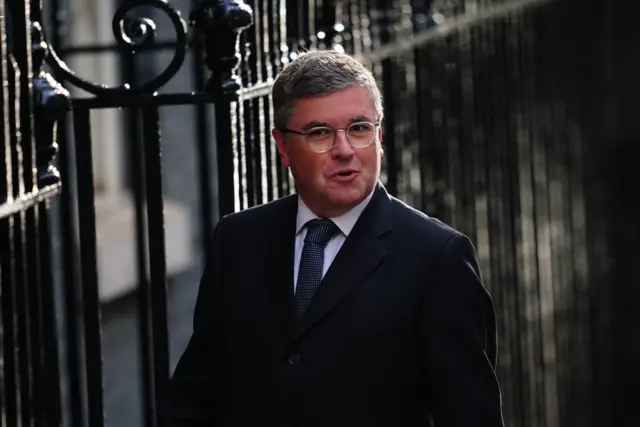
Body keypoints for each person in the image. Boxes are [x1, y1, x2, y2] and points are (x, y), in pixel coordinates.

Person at [162, 50, 504, 427]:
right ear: (282, 146)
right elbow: (195, 395)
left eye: (359, 128)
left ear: (379, 135)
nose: (344, 151)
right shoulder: (239, 240)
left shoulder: (437, 257)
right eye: (320, 133)